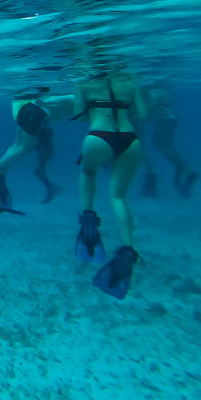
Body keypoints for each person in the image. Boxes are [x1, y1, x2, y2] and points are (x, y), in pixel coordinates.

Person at [70, 73, 147, 299]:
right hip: (129, 137)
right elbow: (142, 114)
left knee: (88, 171)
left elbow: (78, 115)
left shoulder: (82, 80)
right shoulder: (131, 79)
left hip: (99, 134)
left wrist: (96, 109)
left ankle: (89, 217)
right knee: (118, 197)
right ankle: (128, 248)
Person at [138, 84, 197, 198]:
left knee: (164, 148)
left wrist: (138, 111)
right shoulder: (161, 91)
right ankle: (183, 168)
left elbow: (149, 107)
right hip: (167, 121)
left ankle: (188, 170)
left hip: (163, 122)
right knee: (162, 147)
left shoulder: (154, 92)